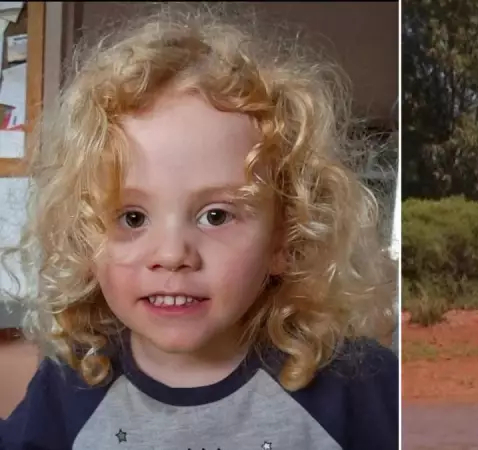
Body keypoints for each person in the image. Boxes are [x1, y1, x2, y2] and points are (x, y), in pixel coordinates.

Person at [0, 7, 398, 450]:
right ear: (86, 238)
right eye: (132, 218)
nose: (172, 254)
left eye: (216, 215)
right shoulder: (69, 386)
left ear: (285, 238)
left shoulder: (360, 386)